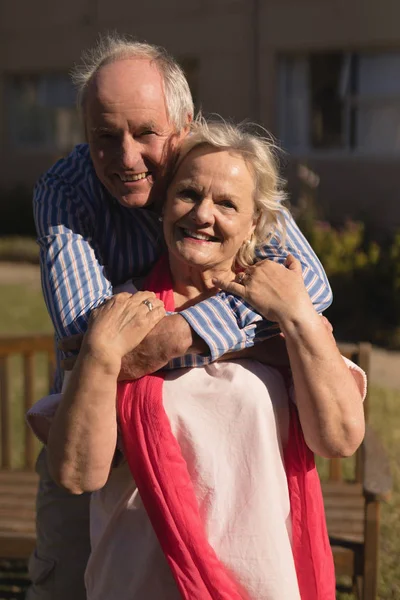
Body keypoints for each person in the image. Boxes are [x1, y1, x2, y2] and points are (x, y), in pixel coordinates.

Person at [31, 35, 332, 600]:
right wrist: (250, 337)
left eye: (146, 133)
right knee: (70, 581)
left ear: (183, 124)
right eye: (105, 138)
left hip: (220, 450)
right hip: (103, 447)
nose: (126, 158)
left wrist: (179, 332)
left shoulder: (219, 169)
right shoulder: (63, 193)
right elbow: (89, 334)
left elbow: (307, 287)